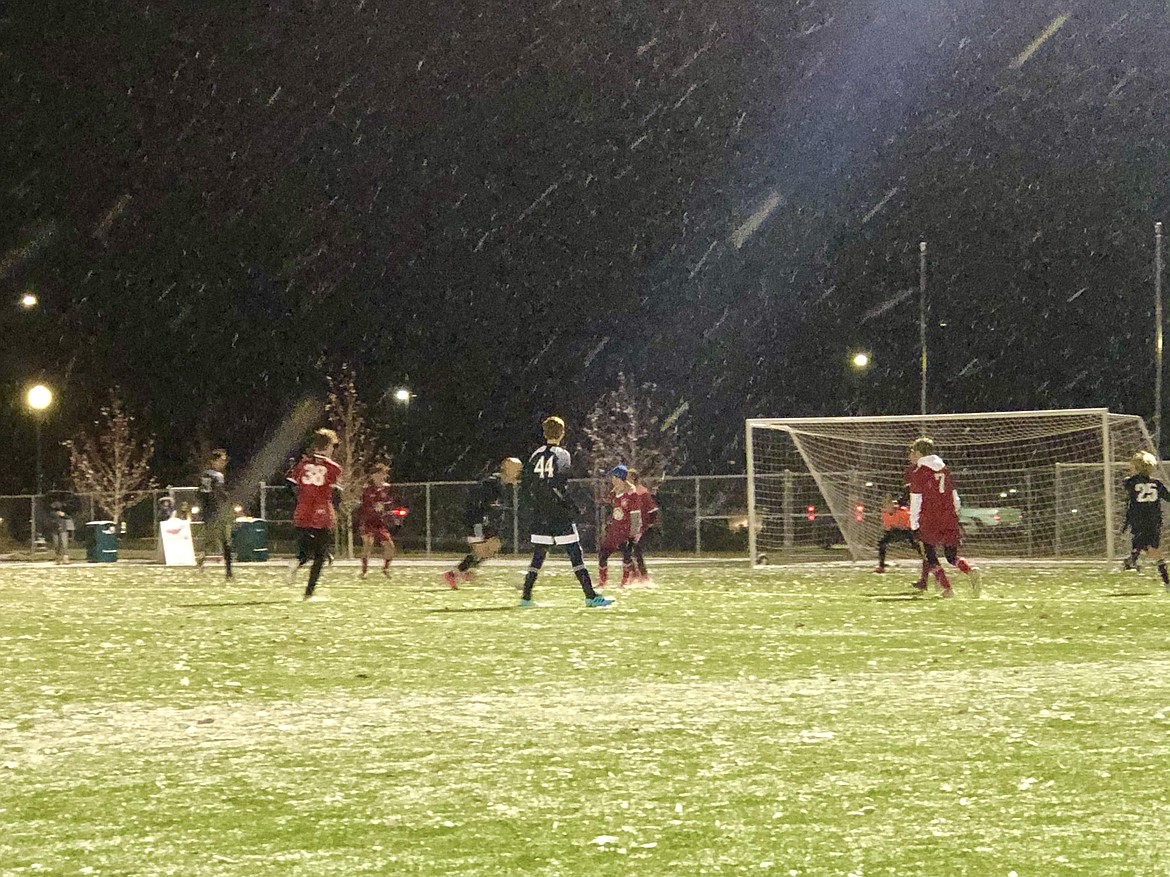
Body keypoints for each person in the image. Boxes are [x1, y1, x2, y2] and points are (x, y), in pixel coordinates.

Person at [518, 416, 613, 608]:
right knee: (574, 554)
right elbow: (559, 485)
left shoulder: (535, 455)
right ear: (562, 433)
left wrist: (533, 507)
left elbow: (527, 485)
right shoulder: (562, 455)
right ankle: (590, 596)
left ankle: (526, 597)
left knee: (538, 555)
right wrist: (572, 506)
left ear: (544, 433)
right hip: (558, 513)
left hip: (540, 513)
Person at [906, 437, 982, 598]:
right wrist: (955, 512)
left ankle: (948, 589)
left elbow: (916, 500)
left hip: (929, 517)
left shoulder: (919, 473)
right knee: (951, 555)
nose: (910, 455)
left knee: (929, 554)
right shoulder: (944, 469)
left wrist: (914, 524)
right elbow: (954, 495)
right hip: (948, 515)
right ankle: (970, 570)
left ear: (919, 453)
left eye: (912, 451)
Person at [443, 457, 522, 588]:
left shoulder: (504, 485)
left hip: (487, 522)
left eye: (519, 469)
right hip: (477, 521)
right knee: (481, 551)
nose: (518, 471)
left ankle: (462, 571)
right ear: (506, 467)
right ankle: (454, 573)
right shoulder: (490, 483)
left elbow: (496, 506)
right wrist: (481, 519)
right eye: (516, 468)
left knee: (493, 547)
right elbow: (476, 503)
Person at [287, 429, 343, 601]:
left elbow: (290, 485)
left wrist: (300, 499)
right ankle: (308, 593)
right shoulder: (333, 468)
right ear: (327, 446)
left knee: (305, 548)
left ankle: (298, 561)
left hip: (302, 510)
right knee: (320, 554)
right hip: (321, 511)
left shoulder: (303, 464)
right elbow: (334, 492)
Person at [1121, 450, 1170, 586]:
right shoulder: (1157, 484)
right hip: (1154, 520)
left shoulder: (1130, 482)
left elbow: (1129, 488)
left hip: (1138, 519)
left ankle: (1132, 559)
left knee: (1142, 545)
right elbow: (1168, 497)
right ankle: (1166, 581)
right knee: (1153, 549)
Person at [597, 465, 640, 588]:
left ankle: (626, 581)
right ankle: (602, 581)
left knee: (626, 556)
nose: (612, 480)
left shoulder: (631, 494)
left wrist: (633, 534)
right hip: (614, 531)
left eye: (614, 477)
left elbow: (635, 516)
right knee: (603, 554)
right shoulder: (614, 493)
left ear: (619, 477)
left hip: (626, 531)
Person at [358, 463, 400, 579]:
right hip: (367, 520)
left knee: (390, 547)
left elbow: (390, 503)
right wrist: (373, 506)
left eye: (382, 474)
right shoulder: (367, 489)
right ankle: (364, 571)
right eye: (377, 474)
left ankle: (385, 569)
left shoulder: (387, 488)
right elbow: (363, 505)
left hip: (380, 522)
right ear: (372, 476)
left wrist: (387, 509)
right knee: (367, 544)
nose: (380, 477)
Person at [197, 449, 233, 579]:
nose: (223, 463)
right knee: (225, 541)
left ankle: (203, 557)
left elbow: (200, 493)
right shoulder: (218, 476)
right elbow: (219, 493)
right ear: (213, 461)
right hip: (218, 511)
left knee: (213, 539)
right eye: (221, 461)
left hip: (208, 512)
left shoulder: (204, 474)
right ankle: (228, 572)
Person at [626, 468, 659, 584]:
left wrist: (648, 525)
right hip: (633, 528)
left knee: (637, 549)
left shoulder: (642, 492)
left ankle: (644, 575)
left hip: (643, 528)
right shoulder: (629, 493)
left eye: (628, 477)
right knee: (627, 550)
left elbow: (653, 511)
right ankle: (634, 574)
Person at [874, 494, 921, 573]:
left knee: (916, 545)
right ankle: (881, 566)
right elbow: (888, 527)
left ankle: (928, 561)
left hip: (908, 531)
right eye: (885, 506)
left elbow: (911, 524)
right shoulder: (884, 514)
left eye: (889, 505)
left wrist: (901, 526)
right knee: (882, 543)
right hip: (895, 531)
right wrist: (892, 527)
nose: (887, 508)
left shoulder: (903, 512)